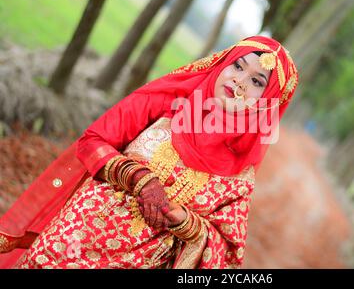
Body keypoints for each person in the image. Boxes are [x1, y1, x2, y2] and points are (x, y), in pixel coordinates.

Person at [0, 35, 299, 268]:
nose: (239, 81)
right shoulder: (168, 100)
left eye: (257, 82)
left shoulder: (240, 171)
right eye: (238, 66)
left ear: (267, 101)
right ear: (223, 63)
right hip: (71, 242)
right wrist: (139, 178)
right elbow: (93, 141)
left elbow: (226, 249)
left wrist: (187, 223)